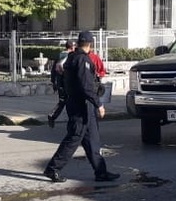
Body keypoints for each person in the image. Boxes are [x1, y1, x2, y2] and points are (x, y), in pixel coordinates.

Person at [43, 31, 120, 183]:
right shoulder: (82, 60)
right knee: (73, 138)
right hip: (81, 106)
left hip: (81, 105)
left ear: (78, 43)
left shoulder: (71, 57)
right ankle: (53, 169)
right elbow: (86, 87)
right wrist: (99, 104)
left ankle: (101, 171)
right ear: (90, 44)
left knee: (92, 140)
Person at [47, 40, 76, 129]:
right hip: (64, 83)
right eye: (74, 46)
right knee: (65, 101)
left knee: (65, 101)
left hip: (60, 83)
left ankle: (70, 119)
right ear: (72, 47)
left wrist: (53, 81)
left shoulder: (60, 55)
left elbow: (53, 70)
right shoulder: (69, 56)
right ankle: (53, 116)